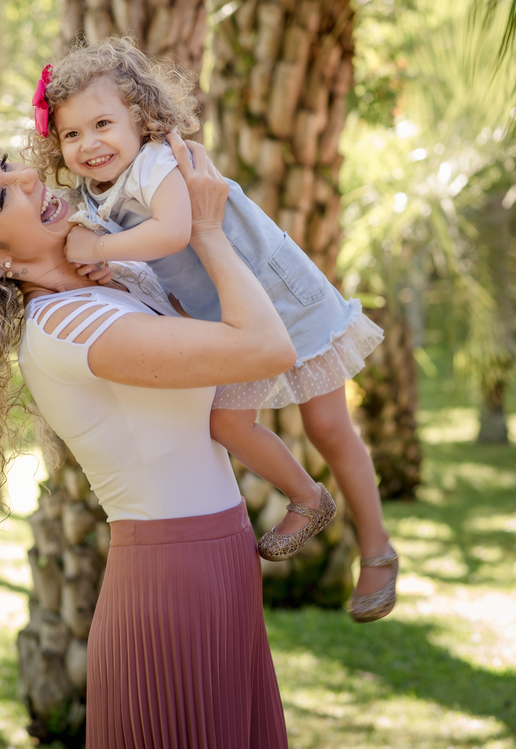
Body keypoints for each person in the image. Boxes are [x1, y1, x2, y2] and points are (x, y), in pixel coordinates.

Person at [0, 131, 290, 746]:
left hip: (221, 559)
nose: (26, 177)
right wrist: (204, 230)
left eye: (6, 165)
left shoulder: (112, 281)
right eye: (2, 196)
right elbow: (266, 347)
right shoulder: (69, 329)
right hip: (175, 583)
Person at [25, 37, 397, 620]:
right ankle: (308, 497)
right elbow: (131, 256)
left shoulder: (157, 163)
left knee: (328, 425)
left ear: (140, 118)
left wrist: (97, 247)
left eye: (102, 124)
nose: (89, 144)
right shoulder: (92, 196)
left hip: (281, 294)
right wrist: (98, 258)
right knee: (225, 422)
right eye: (71, 134)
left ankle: (377, 550)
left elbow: (176, 231)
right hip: (226, 313)